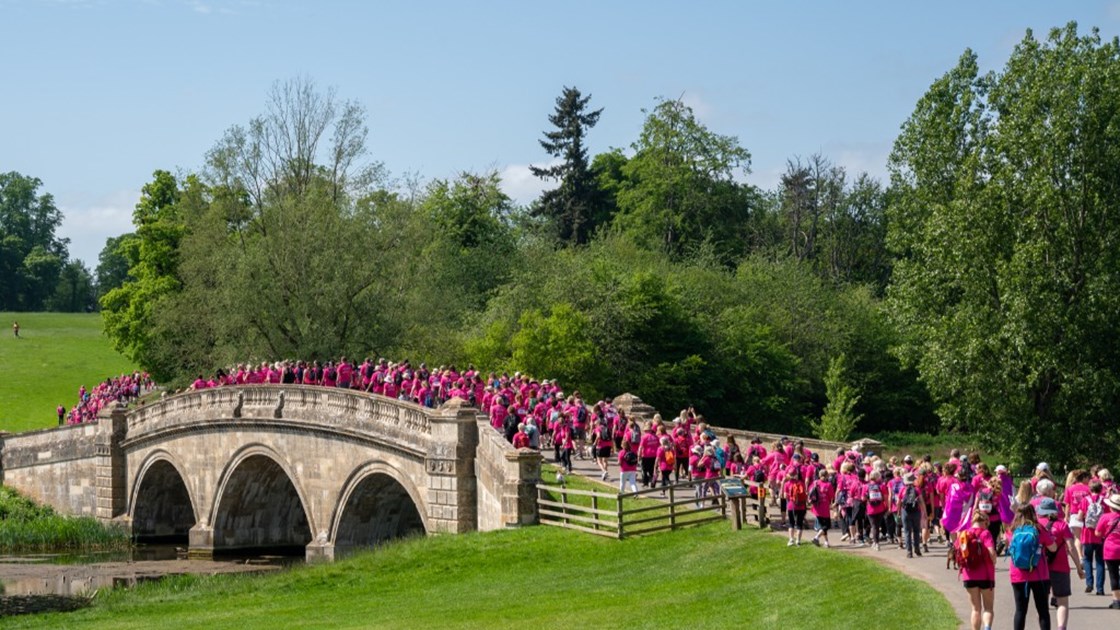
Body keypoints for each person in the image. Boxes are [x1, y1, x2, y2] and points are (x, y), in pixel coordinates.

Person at [1006, 504, 1058, 630]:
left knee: (1020, 611)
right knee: (1043, 611)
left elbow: (1009, 546)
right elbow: (1053, 547)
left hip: (1018, 575)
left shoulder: (1011, 530)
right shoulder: (1039, 529)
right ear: (1033, 513)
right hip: (1039, 574)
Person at [1036, 497, 1082, 630]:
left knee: (1043, 603)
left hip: (1041, 568)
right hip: (1061, 566)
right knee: (1062, 601)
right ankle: (1061, 627)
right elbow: (1071, 547)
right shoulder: (1062, 525)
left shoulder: (1036, 524)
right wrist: (1079, 568)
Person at [959, 510, 997, 630]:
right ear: (985, 521)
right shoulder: (985, 533)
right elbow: (991, 553)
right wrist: (994, 559)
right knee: (988, 608)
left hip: (969, 575)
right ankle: (987, 628)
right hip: (986, 576)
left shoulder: (964, 533)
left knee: (975, 609)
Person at [1094, 492, 1120, 609]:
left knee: (1113, 575)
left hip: (1110, 550)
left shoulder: (1105, 517)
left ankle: (1116, 601)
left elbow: (1097, 533)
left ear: (1110, 506)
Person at [899, 472, 927, 558]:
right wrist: (924, 511)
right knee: (916, 531)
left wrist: (898, 511)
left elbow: (898, 502)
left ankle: (909, 551)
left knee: (907, 532)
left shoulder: (902, 489)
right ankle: (917, 549)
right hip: (916, 512)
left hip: (905, 512)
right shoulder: (917, 489)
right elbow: (921, 501)